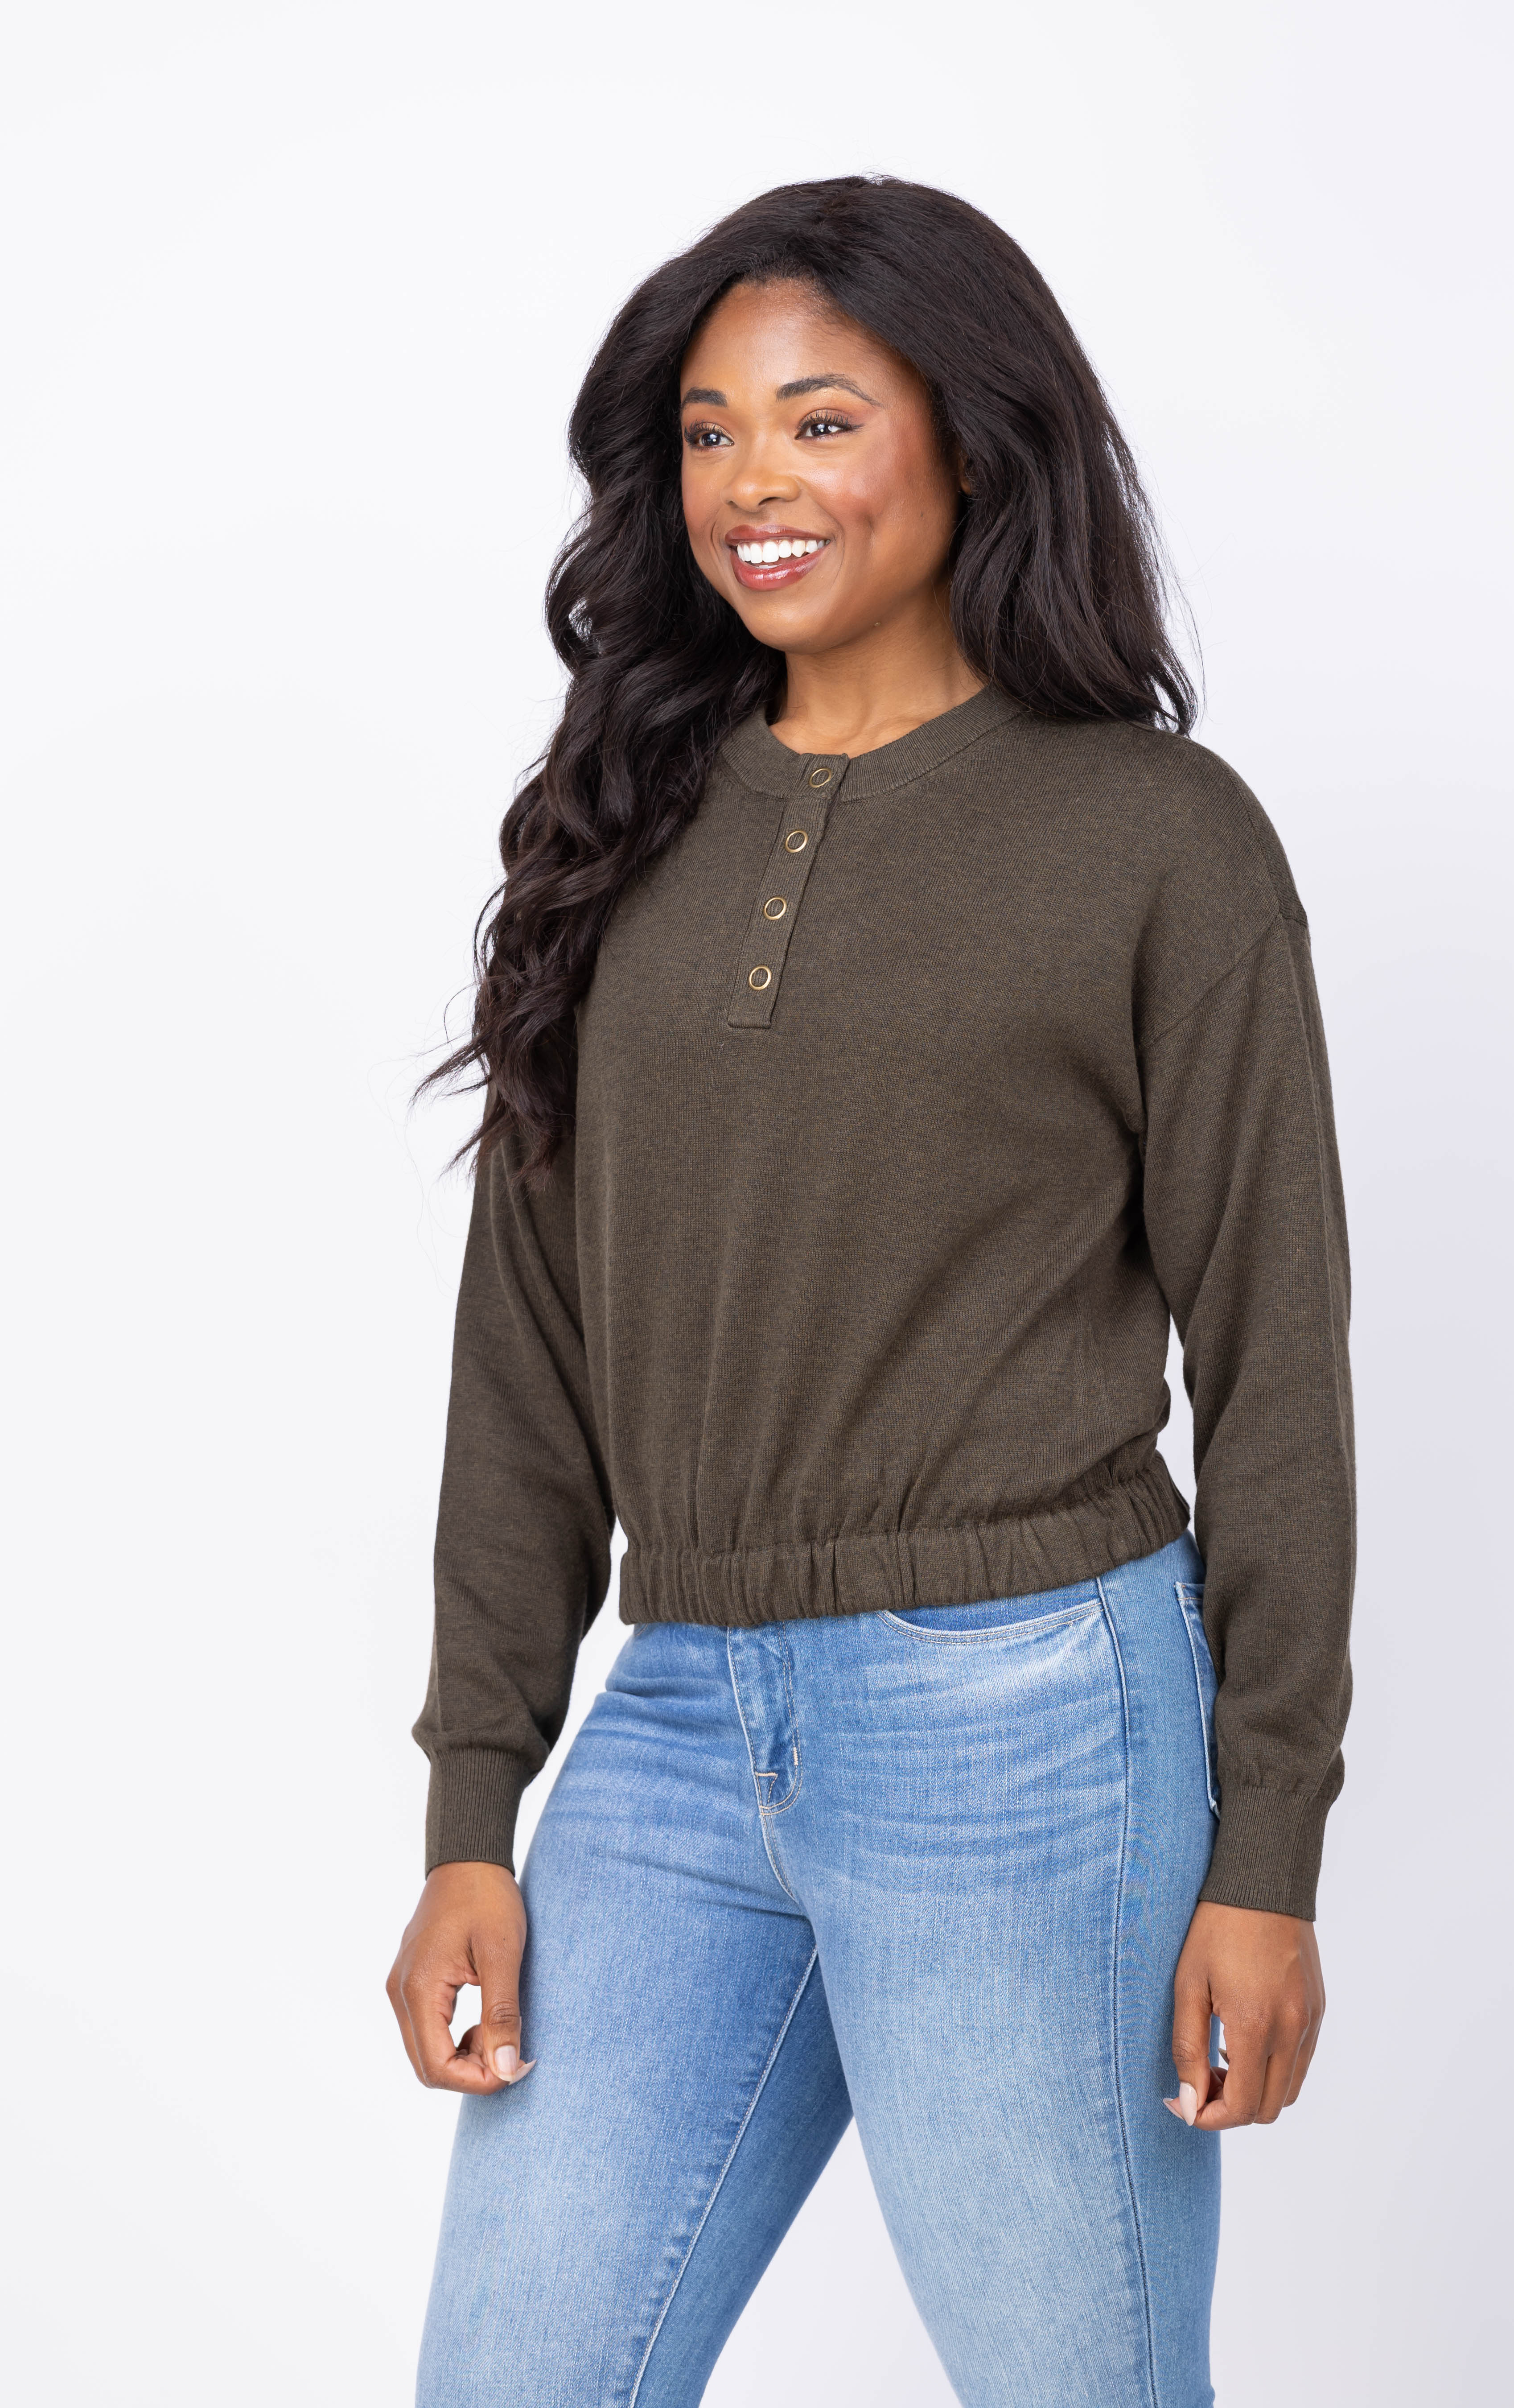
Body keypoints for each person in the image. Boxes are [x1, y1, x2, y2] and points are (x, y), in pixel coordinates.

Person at [387, 174, 1354, 2408]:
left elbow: (1275, 1359)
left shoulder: (1157, 837)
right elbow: (524, 1350)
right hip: (672, 1724)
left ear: (975, 443)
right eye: (710, 433)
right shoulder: (618, 824)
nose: (756, 484)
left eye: (821, 421)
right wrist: (471, 1807)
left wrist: (1271, 1852)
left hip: (1033, 1719)